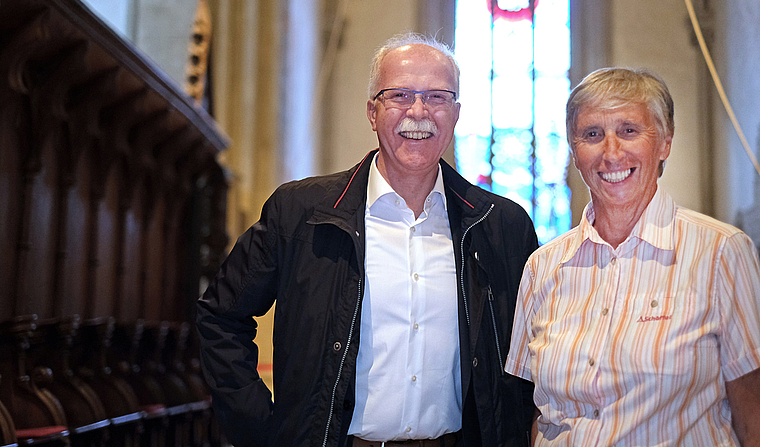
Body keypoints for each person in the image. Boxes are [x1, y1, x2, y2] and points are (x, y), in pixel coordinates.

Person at [197, 33, 539, 447]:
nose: (419, 112)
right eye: (399, 95)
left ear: (456, 113)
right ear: (372, 113)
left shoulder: (501, 225)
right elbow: (220, 317)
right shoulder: (301, 212)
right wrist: (262, 431)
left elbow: (532, 354)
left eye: (437, 97)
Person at [505, 67, 760, 446]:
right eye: (592, 134)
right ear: (575, 152)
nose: (611, 152)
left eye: (629, 131)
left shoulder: (721, 252)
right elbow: (533, 413)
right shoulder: (543, 267)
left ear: (664, 143)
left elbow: (751, 409)